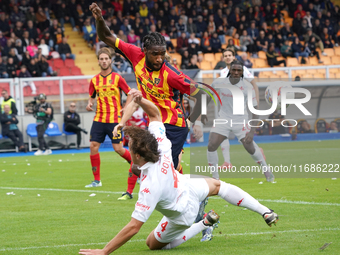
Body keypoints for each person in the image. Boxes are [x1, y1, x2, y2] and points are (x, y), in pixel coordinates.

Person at [79, 89, 279, 255]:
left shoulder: (150, 186)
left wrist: (104, 251)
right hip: (186, 184)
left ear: (139, 156)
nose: (128, 149)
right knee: (219, 186)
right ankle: (265, 211)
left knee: (152, 244)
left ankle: (202, 223)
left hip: (182, 211)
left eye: (130, 148)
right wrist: (140, 100)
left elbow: (134, 227)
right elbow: (155, 114)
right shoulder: (160, 144)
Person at [90, 3, 205, 200]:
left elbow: (201, 94)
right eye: (155, 54)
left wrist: (195, 120)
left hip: (174, 126)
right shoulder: (135, 55)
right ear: (144, 50)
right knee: (139, 167)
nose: (159, 58)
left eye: (162, 53)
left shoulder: (172, 74)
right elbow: (106, 37)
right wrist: (99, 19)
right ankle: (189, 193)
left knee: (163, 172)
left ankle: (193, 198)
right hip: (155, 123)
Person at [208, 60, 274, 181]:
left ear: (243, 72)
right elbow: (207, 96)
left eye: (239, 70)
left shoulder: (247, 87)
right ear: (230, 70)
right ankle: (215, 178)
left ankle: (266, 170)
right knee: (211, 144)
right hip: (223, 119)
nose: (236, 72)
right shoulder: (219, 82)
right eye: (234, 70)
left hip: (241, 120)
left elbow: (255, 109)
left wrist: (252, 131)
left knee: (249, 146)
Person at [85, 47, 133, 188]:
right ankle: (97, 180)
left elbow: (129, 93)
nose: (104, 61)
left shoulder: (117, 78)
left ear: (110, 60)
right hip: (99, 118)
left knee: (118, 148)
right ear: (98, 61)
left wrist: (126, 106)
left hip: (114, 119)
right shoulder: (94, 80)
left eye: (106, 59)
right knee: (93, 146)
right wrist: (89, 104)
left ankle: (137, 169)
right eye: (102, 59)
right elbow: (92, 97)